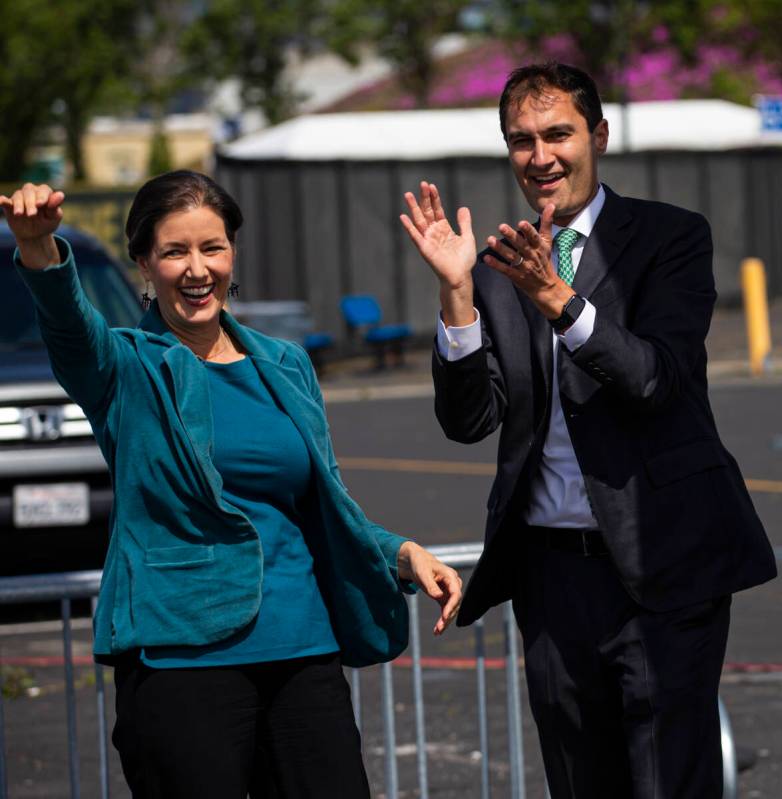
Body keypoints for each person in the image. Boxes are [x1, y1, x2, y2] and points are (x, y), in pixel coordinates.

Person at [1, 172, 462, 799]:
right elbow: (69, 326)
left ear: (233, 253)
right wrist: (38, 249)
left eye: (212, 248)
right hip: (180, 658)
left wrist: (400, 552)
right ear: (143, 262)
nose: (197, 269)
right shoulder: (124, 365)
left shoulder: (286, 363)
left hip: (304, 653)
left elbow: (322, 506)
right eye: (175, 251)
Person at [401, 62, 776, 798]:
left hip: (663, 569)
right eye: (520, 140)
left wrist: (558, 298)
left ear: (598, 135)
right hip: (553, 578)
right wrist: (456, 296)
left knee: (671, 780)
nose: (539, 156)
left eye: (557, 134)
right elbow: (468, 419)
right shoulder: (493, 266)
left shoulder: (670, 239)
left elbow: (653, 379)